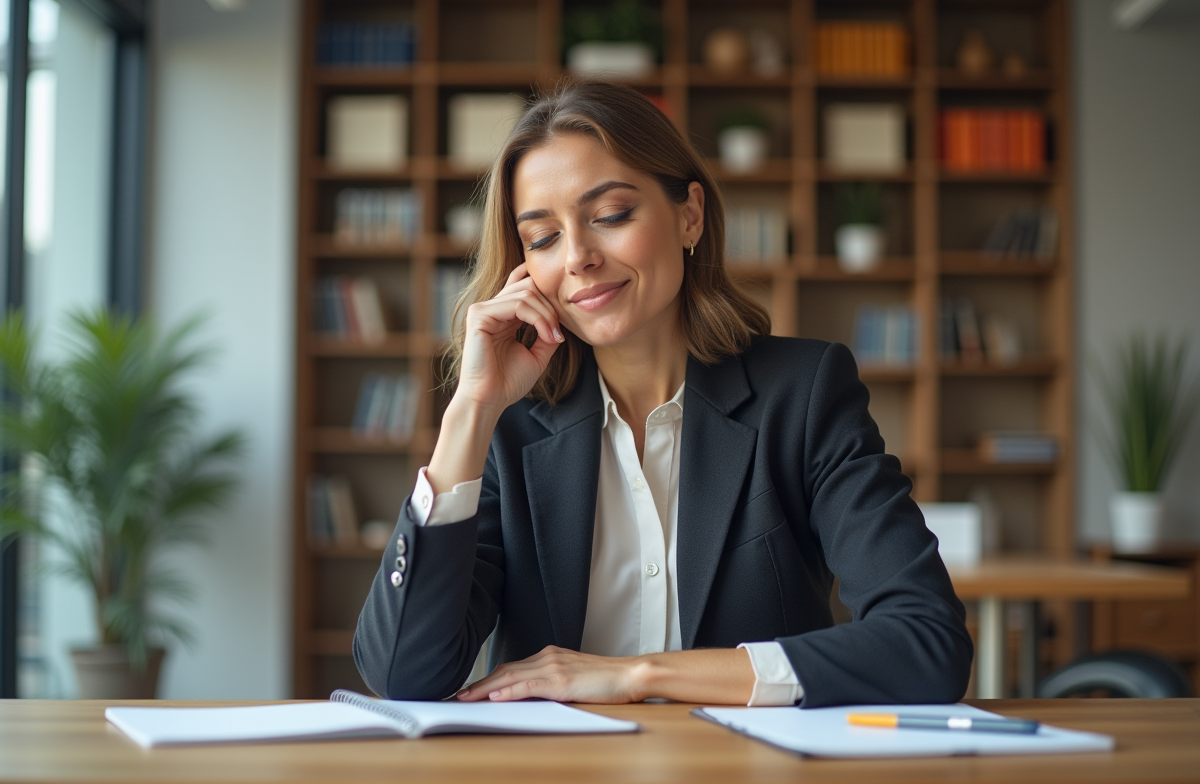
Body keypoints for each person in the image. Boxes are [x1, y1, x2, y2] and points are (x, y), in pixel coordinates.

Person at [353, 81, 972, 708]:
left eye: (611, 215)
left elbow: (926, 644)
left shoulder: (803, 395)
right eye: (542, 238)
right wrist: (473, 409)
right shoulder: (508, 426)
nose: (578, 258)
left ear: (689, 215)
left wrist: (637, 675)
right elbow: (405, 674)